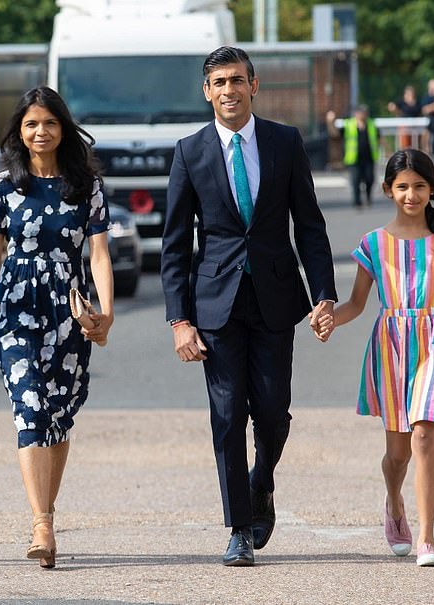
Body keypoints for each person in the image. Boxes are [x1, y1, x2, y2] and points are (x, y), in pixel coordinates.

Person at [160, 46, 337, 567]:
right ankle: (239, 527)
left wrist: (323, 293)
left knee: (273, 413)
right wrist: (179, 320)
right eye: (219, 82)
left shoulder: (285, 142)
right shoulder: (189, 151)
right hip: (214, 306)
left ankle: (262, 484)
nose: (229, 90)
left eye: (237, 80)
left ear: (254, 86)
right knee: (226, 413)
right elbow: (174, 245)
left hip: (276, 300)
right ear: (207, 92)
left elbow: (309, 225)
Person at [0, 86, 114, 569]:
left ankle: (47, 510)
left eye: (48, 123)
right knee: (31, 407)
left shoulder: (85, 185)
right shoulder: (5, 186)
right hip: (15, 304)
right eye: (30, 124)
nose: (40, 131)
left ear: (62, 128)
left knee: (60, 413)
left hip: (68, 307)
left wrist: (104, 314)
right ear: (19, 133)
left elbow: (100, 254)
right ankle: (41, 524)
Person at [314, 149, 434, 567]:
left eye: (419, 186)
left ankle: (429, 539)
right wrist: (329, 319)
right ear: (387, 190)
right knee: (397, 455)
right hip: (391, 349)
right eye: (402, 186)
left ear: (432, 188)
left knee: (425, 437)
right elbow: (356, 305)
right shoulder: (373, 244)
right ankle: (394, 503)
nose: (411, 194)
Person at [326, 105, 380, 207]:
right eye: (360, 113)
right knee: (355, 181)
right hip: (354, 159)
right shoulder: (349, 124)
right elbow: (335, 134)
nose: (363, 115)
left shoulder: (371, 124)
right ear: (356, 114)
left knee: (370, 179)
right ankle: (357, 202)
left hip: (369, 158)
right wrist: (330, 122)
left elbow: (379, 139)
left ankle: (368, 198)